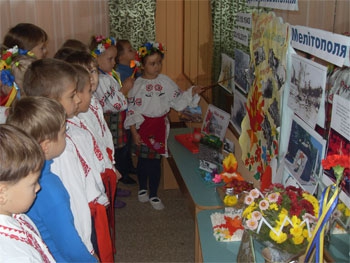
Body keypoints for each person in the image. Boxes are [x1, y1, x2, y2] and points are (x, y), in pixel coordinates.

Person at [6, 96, 98, 262]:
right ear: (45, 146)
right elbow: (69, 245)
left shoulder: (19, 180)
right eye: (64, 132)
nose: (66, 135)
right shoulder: (48, 187)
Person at [23, 58, 98, 259]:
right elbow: (66, 233)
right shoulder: (48, 180)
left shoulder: (43, 160)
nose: (78, 100)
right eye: (72, 95)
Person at [124, 41, 204, 210]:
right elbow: (131, 109)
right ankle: (142, 188)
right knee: (142, 161)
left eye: (159, 62)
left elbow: (178, 100)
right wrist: (134, 132)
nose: (157, 67)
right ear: (143, 65)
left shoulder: (165, 82)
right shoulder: (137, 84)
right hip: (141, 128)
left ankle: (154, 193)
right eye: (152, 63)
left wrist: (192, 92)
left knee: (155, 162)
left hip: (159, 128)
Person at [65, 64, 114, 262]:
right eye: (75, 94)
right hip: (86, 209)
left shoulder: (76, 128)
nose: (78, 99)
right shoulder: (66, 142)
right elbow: (75, 194)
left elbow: (101, 136)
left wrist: (109, 165)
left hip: (93, 199)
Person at [89, 35, 134, 207]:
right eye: (110, 59)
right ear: (96, 59)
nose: (114, 62)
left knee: (114, 155)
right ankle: (109, 193)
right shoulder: (100, 80)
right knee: (109, 156)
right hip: (109, 120)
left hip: (113, 119)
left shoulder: (108, 75)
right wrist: (124, 89)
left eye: (114, 58)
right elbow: (117, 104)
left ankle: (114, 186)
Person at [0, 124, 55, 262]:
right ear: (2, 193)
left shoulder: (14, 212)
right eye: (33, 183)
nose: (38, 188)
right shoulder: (16, 257)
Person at [115, 39, 141, 181]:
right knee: (123, 145)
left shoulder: (131, 69)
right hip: (124, 113)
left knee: (130, 140)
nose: (134, 51)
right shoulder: (119, 73)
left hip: (131, 111)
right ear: (121, 57)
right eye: (130, 50)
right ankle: (123, 172)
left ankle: (129, 166)